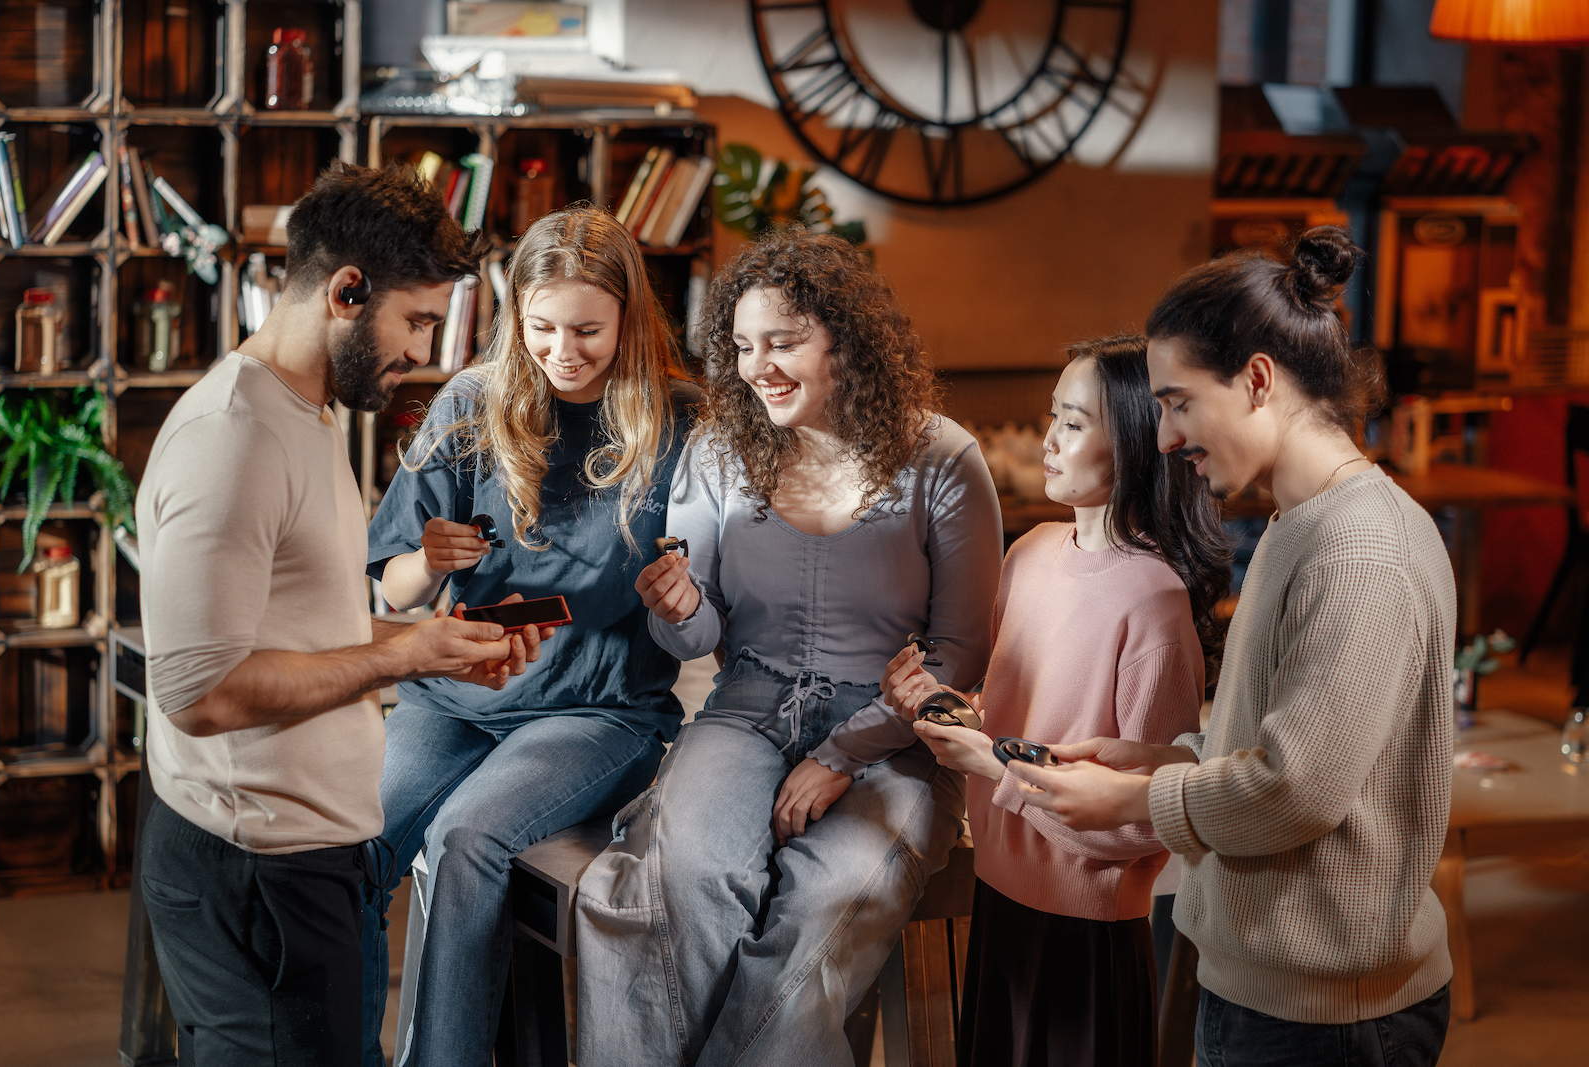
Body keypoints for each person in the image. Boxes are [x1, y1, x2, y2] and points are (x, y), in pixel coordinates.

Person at [1002, 228, 1456, 1066]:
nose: (1166, 438)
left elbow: (1296, 792)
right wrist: (1159, 757)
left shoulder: (1359, 548)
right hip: (1273, 992)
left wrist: (1137, 802)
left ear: (1256, 381)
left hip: (1325, 1018)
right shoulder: (1300, 522)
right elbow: (1281, 741)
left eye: (1178, 402)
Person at [135, 162, 535, 1067]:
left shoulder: (308, 416)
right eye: (418, 320)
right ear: (348, 290)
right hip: (257, 878)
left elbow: (304, 635)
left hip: (316, 867)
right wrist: (401, 660)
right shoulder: (232, 440)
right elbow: (200, 693)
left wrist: (433, 647)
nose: (425, 350)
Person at [573, 228, 1003, 1066]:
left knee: (824, 903)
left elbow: (959, 655)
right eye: (739, 345)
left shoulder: (943, 458)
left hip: (897, 732)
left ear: (847, 337)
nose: (756, 366)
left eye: (782, 341)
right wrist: (678, 606)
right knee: (682, 876)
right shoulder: (720, 450)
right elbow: (699, 634)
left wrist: (845, 750)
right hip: (745, 702)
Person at [362, 205, 701, 1066]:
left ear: (629, 320)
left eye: (587, 329)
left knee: (467, 838)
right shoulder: (471, 402)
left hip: (597, 709)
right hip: (456, 694)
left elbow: (714, 603)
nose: (561, 351)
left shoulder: (680, 421)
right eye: (540, 326)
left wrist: (684, 597)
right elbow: (389, 579)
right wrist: (428, 563)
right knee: (350, 841)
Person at [883, 335, 1229, 1067]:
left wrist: (989, 761)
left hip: (1088, 935)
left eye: (1073, 423)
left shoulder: (1155, 605)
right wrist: (945, 707)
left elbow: (1145, 819)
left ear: (1136, 441)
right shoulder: (1030, 551)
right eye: (1053, 417)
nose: (1047, 441)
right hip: (998, 899)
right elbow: (1007, 719)